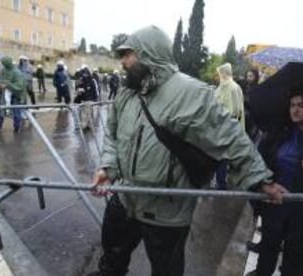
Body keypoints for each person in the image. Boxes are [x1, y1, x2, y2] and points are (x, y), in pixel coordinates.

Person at [89, 25, 286, 276]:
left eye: (128, 54)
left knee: (166, 270)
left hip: (166, 210)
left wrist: (259, 179)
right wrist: (108, 168)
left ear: (148, 53)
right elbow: (113, 135)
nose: (123, 62)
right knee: (111, 260)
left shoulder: (190, 93)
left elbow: (230, 137)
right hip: (125, 196)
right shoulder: (128, 92)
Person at [247, 84, 303, 276]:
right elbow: (258, 161)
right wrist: (263, 184)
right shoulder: (279, 133)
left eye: (302, 105)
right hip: (275, 204)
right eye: (292, 105)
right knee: (267, 251)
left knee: (295, 261)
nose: (295, 109)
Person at [214, 63, 245, 190]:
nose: (219, 76)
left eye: (220, 73)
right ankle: (222, 180)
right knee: (224, 156)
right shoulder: (222, 87)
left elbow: (235, 111)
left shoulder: (232, 87)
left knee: (223, 156)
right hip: (220, 128)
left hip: (227, 128)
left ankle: (221, 183)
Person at [0, 57, 26, 133]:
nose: (4, 65)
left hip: (15, 94)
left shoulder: (17, 73)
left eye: (5, 64)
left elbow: (20, 86)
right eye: (3, 64)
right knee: (2, 109)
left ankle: (17, 127)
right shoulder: (4, 69)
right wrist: (0, 84)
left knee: (16, 111)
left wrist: (7, 84)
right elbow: (1, 78)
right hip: (6, 93)